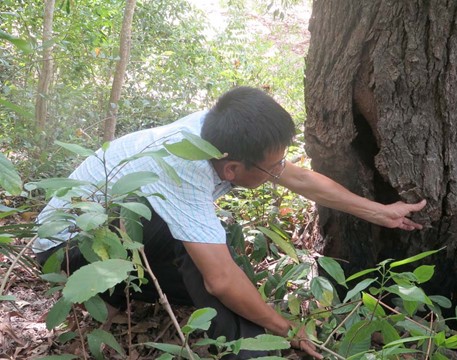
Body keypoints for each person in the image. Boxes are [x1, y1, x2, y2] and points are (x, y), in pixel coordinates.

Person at [33, 87, 426, 359]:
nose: (279, 171)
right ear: (232, 169)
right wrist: (286, 327)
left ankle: (123, 295)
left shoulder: (224, 133)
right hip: (69, 251)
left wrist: (380, 211)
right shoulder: (184, 169)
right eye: (272, 167)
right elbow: (220, 278)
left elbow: (300, 178)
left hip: (119, 244)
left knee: (220, 262)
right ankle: (248, 351)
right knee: (208, 263)